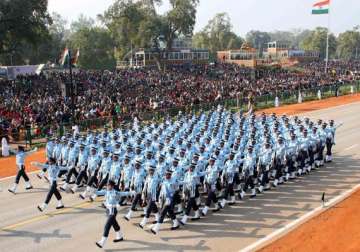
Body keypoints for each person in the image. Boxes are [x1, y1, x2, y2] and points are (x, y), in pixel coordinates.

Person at [94, 180, 135, 248]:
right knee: (114, 223)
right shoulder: (106, 191)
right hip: (107, 210)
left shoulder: (115, 192)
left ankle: (102, 242)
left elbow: (123, 193)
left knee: (107, 226)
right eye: (107, 185)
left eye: (108, 185)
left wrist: (131, 192)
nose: (107, 186)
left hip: (113, 211)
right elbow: (98, 192)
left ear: (112, 186)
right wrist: (93, 190)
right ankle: (120, 236)